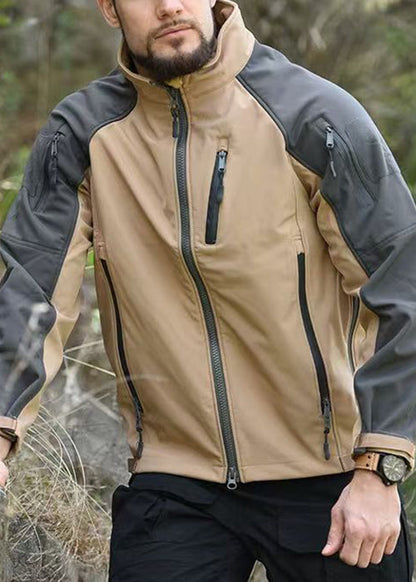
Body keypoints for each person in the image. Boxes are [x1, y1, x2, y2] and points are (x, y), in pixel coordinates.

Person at [0, 0, 415, 580]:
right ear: (110, 9)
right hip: (175, 481)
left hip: (332, 474)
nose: (170, 6)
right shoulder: (82, 134)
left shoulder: (312, 114)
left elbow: (403, 287)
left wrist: (381, 466)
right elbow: (30, 289)